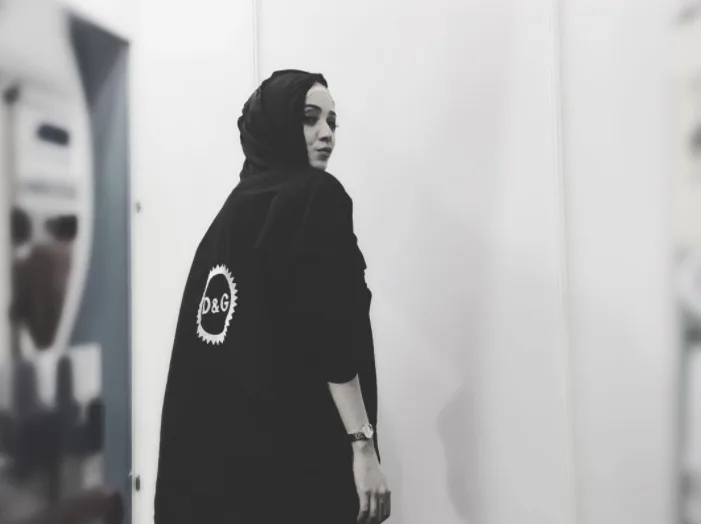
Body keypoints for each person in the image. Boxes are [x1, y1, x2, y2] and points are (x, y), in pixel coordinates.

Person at [154, 69, 391, 524]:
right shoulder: (316, 196)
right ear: (279, 124)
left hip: (222, 478)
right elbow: (332, 333)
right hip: (295, 463)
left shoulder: (231, 213)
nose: (327, 133)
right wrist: (363, 445)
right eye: (309, 118)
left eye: (332, 122)